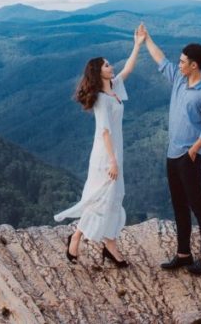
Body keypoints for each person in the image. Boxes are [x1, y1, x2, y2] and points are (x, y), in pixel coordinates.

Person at [54, 26, 145, 267]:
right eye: (106, 65)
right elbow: (104, 131)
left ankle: (109, 243)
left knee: (115, 196)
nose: (110, 66)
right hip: (106, 155)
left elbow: (127, 69)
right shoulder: (101, 100)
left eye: (109, 64)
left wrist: (137, 44)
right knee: (102, 198)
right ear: (98, 72)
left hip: (116, 151)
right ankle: (76, 238)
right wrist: (113, 161)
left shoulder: (113, 88)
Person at [141, 23, 201, 276]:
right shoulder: (179, 80)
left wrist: (194, 150)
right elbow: (160, 60)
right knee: (179, 205)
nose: (179, 64)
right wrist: (147, 38)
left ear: (194, 65)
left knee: (198, 206)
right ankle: (183, 254)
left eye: (183, 61)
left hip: (189, 157)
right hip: (172, 154)